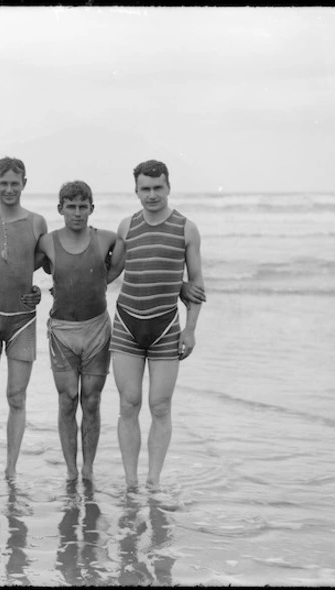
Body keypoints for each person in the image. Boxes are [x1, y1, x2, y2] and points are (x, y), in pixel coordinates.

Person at [110, 159, 205, 490]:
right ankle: (131, 481)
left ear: (168, 187)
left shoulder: (186, 228)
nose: (152, 195)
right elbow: (110, 273)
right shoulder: (126, 227)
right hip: (126, 324)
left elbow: (195, 285)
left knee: (160, 406)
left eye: (158, 188)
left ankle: (153, 480)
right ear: (136, 190)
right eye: (145, 189)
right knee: (128, 403)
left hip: (166, 327)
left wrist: (190, 329)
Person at [37, 181, 122, 483]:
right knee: (67, 398)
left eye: (82, 207)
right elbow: (22, 269)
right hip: (62, 332)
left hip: (97, 329)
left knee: (92, 401)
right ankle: (71, 470)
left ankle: (88, 468)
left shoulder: (108, 239)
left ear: (91, 209)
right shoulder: (48, 242)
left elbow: (114, 270)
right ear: (60, 209)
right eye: (70, 207)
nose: (77, 213)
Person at [0, 156, 47, 481]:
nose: (9, 189)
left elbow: (48, 260)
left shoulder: (37, 222)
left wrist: (42, 291)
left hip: (23, 321)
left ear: (25, 184)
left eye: (15, 183)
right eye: (3, 183)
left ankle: (11, 468)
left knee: (17, 396)